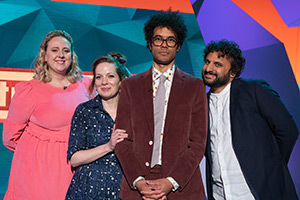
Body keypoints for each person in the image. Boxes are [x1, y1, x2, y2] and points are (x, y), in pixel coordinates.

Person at [115, 10, 208, 200]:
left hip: (182, 187)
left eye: (170, 40)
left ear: (179, 45)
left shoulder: (194, 86)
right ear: (150, 44)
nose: (164, 45)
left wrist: (171, 182)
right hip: (137, 186)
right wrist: (139, 182)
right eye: (158, 39)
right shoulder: (130, 86)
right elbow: (121, 139)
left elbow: (198, 142)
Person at [202, 39, 299, 200]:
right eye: (207, 62)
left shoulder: (254, 90)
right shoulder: (200, 104)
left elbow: (288, 131)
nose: (209, 68)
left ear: (233, 73)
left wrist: (272, 166)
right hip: (220, 194)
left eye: (217, 64)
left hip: (257, 193)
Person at [2, 30, 93, 200]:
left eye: (66, 50)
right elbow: (10, 136)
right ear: (44, 56)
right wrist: (36, 150)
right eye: (55, 50)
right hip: (37, 169)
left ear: (72, 55)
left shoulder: (86, 85)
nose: (61, 55)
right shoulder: (29, 91)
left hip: (75, 164)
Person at [65, 52, 130, 199]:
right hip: (88, 189)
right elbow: (74, 158)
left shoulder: (134, 112)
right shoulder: (84, 111)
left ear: (121, 80)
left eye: (111, 76)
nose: (104, 82)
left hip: (124, 190)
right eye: (99, 77)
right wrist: (108, 146)